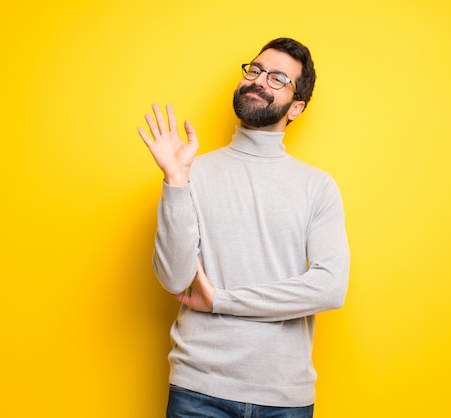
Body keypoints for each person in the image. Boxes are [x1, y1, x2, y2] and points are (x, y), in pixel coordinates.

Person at [138, 37, 350, 418]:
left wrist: (222, 301)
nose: (258, 80)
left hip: (284, 397)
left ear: (296, 106)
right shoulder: (193, 172)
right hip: (198, 388)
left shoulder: (317, 186)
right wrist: (175, 181)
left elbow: (330, 288)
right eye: (254, 70)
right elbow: (174, 279)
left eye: (277, 78)